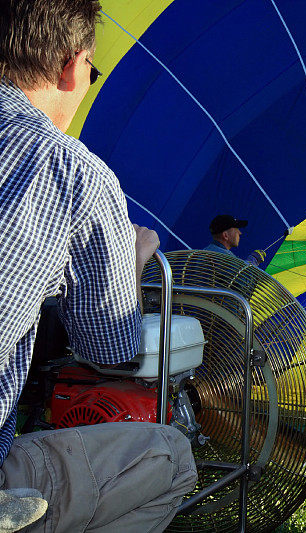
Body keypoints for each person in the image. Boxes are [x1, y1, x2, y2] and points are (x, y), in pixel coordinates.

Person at [0, 1, 197, 531]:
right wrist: (130, 263)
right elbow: (109, 348)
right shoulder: (69, 169)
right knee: (171, 458)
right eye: (93, 70)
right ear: (73, 63)